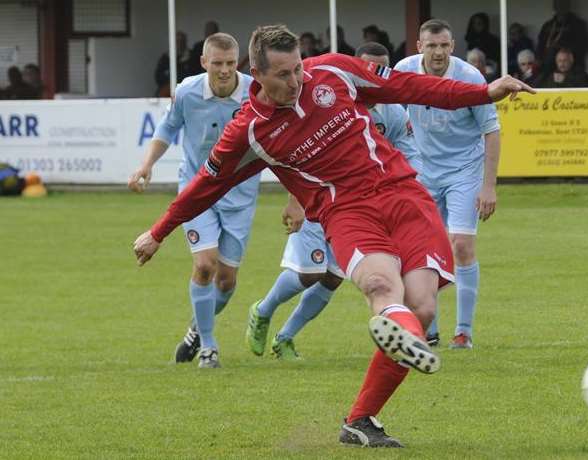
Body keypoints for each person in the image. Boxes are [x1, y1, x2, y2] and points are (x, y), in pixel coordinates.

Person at [133, 24, 531, 447]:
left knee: (423, 306)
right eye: (283, 75)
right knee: (380, 285)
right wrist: (159, 232)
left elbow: (407, 86)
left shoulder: (335, 71)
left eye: (298, 69)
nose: (296, 81)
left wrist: (483, 92)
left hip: (404, 195)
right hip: (347, 211)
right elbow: (206, 185)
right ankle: (397, 337)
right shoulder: (250, 131)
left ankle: (362, 416)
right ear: (258, 73)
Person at [245, 41, 423, 360]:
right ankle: (263, 310)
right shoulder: (323, 97)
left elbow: (407, 153)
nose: (372, 75)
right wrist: (295, 201)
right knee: (309, 272)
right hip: (317, 203)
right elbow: (294, 157)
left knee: (334, 276)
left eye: (381, 69)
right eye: (367, 67)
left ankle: (285, 337)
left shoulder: (393, 112)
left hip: (360, 208)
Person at [129, 33, 261, 368]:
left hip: (240, 195)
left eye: (231, 63)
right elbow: (166, 129)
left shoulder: (256, 93)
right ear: (204, 63)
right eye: (217, 63)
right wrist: (146, 164)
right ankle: (210, 346)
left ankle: (196, 330)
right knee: (204, 266)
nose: (224, 70)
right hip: (196, 190)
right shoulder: (187, 91)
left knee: (227, 281)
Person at [395, 19, 501, 349]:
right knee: (423, 251)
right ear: (419, 47)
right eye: (432, 46)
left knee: (461, 246)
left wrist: (489, 186)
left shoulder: (469, 77)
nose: (438, 52)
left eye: (444, 46)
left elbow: (492, 131)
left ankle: (464, 332)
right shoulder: (404, 71)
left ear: (452, 47)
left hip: (464, 171)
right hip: (423, 172)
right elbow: (389, 118)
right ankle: (430, 329)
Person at [535, 0, 588, 74]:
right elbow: (540, 45)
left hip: (572, 65)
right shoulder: (548, 25)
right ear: (554, 6)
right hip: (548, 67)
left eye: (563, 4)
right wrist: (538, 58)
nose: (560, 7)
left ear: (568, 6)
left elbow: (584, 45)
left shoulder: (578, 24)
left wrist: (562, 50)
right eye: (558, 4)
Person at [154, 31, 194, 96]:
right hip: (167, 89)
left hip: (186, 89)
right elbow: (158, 76)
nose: (179, 44)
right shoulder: (165, 57)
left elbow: (195, 75)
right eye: (177, 41)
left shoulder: (192, 56)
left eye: (182, 41)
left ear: (185, 42)